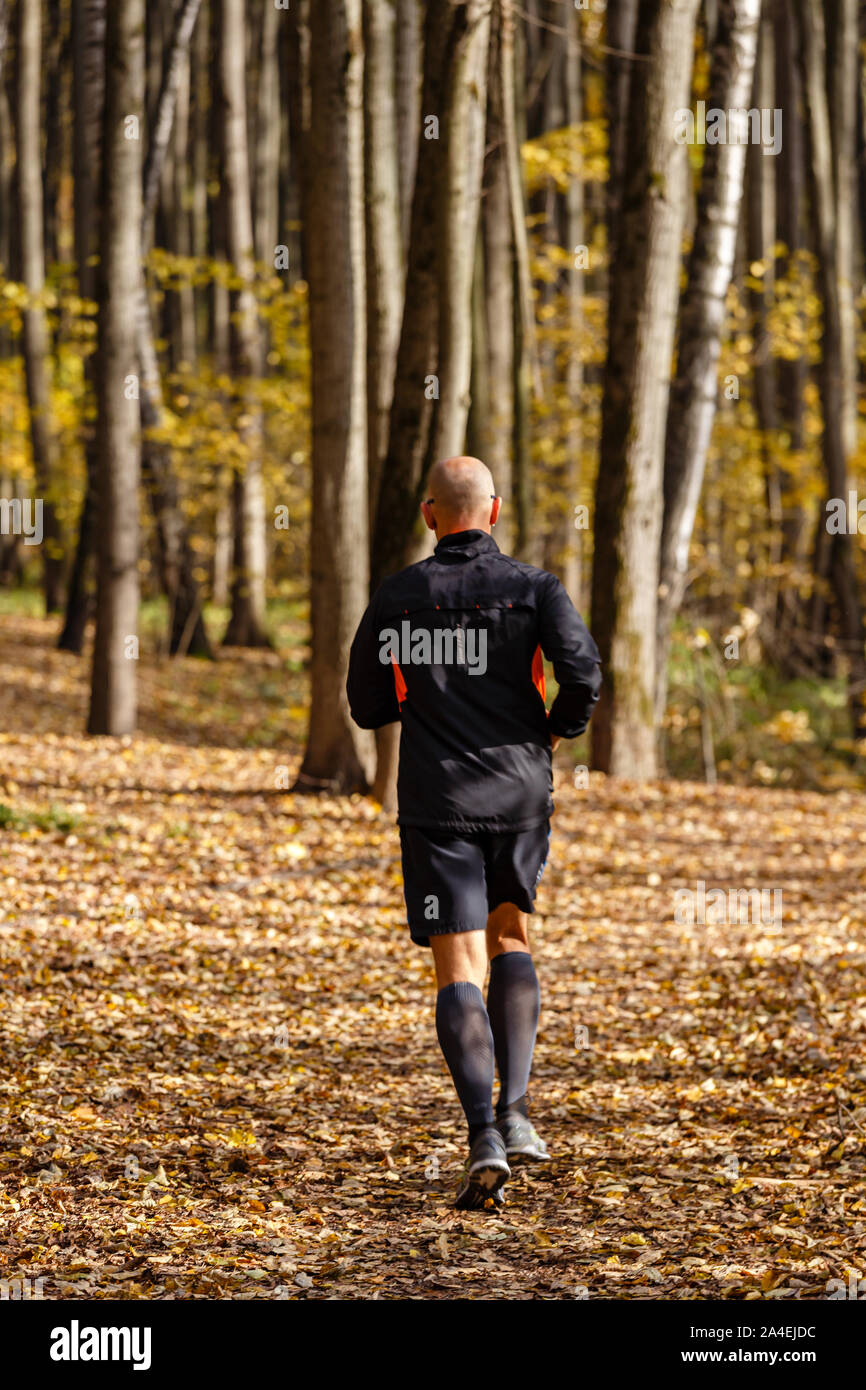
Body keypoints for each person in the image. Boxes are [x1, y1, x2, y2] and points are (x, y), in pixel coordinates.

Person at [347, 456, 602, 1209]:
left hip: (436, 798)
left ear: (431, 514)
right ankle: (518, 1113)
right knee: (511, 937)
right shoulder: (534, 589)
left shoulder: (399, 596)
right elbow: (582, 671)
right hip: (520, 792)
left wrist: (422, 710)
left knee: (456, 966)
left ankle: (482, 1135)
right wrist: (554, 733)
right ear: (494, 511)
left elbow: (366, 703)